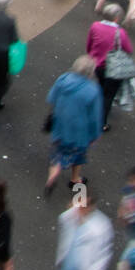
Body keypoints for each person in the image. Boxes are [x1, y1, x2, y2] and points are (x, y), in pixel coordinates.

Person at [51, 186, 114, 270]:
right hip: (69, 264)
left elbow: (101, 260)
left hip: (89, 269)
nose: (77, 208)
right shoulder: (73, 216)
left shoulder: (101, 227)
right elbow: (63, 219)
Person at [44, 55, 104, 194]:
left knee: (57, 152)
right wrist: (95, 135)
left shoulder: (63, 79)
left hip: (60, 125)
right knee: (78, 156)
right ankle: (75, 179)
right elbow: (94, 117)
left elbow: (51, 98)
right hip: (79, 132)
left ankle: (52, 175)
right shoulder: (93, 90)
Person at [87, 3, 134, 131]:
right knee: (109, 96)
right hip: (113, 69)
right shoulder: (120, 33)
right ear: (117, 18)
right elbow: (129, 50)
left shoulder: (95, 26)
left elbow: (89, 45)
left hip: (97, 66)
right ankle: (101, 122)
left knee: (100, 87)